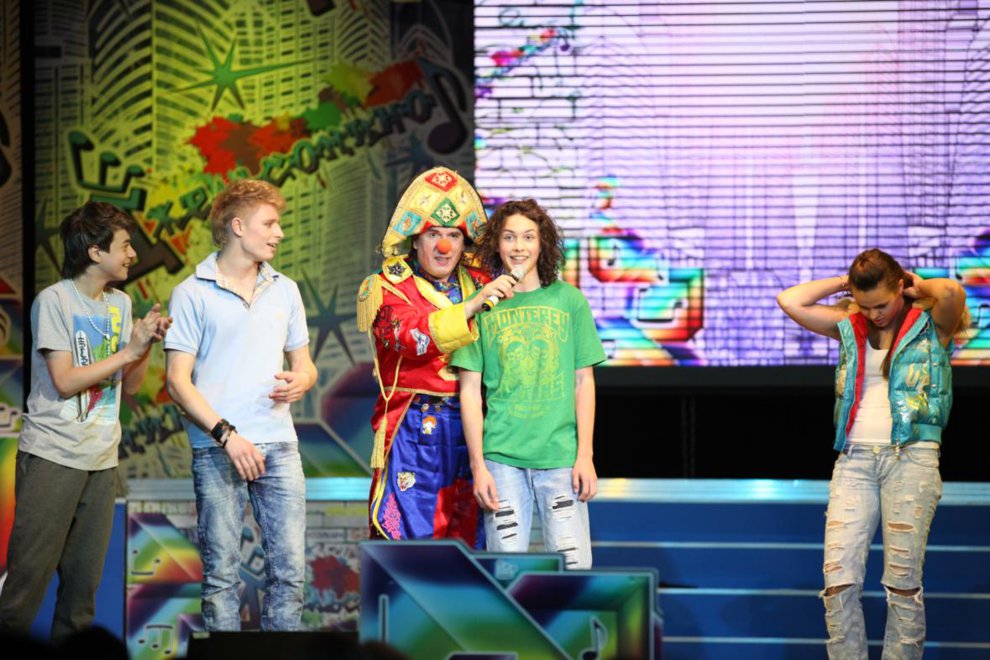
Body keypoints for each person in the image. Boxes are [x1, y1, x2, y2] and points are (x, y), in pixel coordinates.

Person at [777, 248, 967, 659]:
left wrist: (918, 284)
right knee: (838, 582)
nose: (874, 314)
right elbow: (790, 300)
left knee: (902, 585)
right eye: (866, 305)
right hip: (854, 460)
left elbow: (952, 292)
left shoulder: (931, 324)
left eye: (881, 304)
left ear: (900, 288)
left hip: (911, 457)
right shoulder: (851, 325)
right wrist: (845, 284)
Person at [0, 202, 169, 640]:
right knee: (25, 586)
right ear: (95, 252)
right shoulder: (54, 301)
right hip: (53, 457)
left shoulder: (120, 303)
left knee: (82, 595)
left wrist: (144, 345)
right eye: (125, 245)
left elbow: (131, 387)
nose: (133, 254)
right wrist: (128, 351)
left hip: (101, 460)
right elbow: (65, 381)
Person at [165, 179, 317, 631]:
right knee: (220, 577)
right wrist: (227, 436)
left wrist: (302, 381)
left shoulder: (285, 289)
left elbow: (305, 365)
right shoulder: (192, 292)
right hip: (218, 448)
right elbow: (177, 382)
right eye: (269, 223)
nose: (279, 233)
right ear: (237, 226)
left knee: (290, 574)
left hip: (279, 444)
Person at [356, 166, 518, 546]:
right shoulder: (385, 287)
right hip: (414, 428)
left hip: (476, 427)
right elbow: (411, 336)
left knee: (470, 539)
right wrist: (472, 307)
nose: (443, 247)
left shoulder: (479, 281)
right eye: (433, 234)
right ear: (416, 240)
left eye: (453, 235)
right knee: (410, 545)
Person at [452, 199, 606, 569]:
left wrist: (585, 455)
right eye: (509, 237)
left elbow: (583, 382)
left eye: (528, 237)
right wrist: (478, 467)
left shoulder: (569, 301)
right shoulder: (481, 306)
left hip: (560, 458)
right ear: (496, 244)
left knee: (573, 570)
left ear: (542, 243)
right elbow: (469, 392)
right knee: (507, 573)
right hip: (502, 459)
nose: (518, 246)